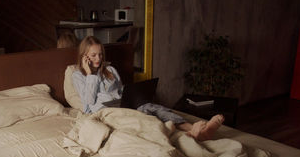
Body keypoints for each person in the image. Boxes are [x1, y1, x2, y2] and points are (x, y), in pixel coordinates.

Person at [71, 36, 224, 141]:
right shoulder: (78, 75)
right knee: (144, 115)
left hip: (122, 103)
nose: (98, 59)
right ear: (84, 56)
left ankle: (197, 131)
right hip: (103, 111)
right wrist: (91, 74)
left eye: (100, 55)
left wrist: (134, 95)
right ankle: (170, 132)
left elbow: (122, 90)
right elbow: (89, 101)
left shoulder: (110, 70)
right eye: (93, 55)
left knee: (151, 107)